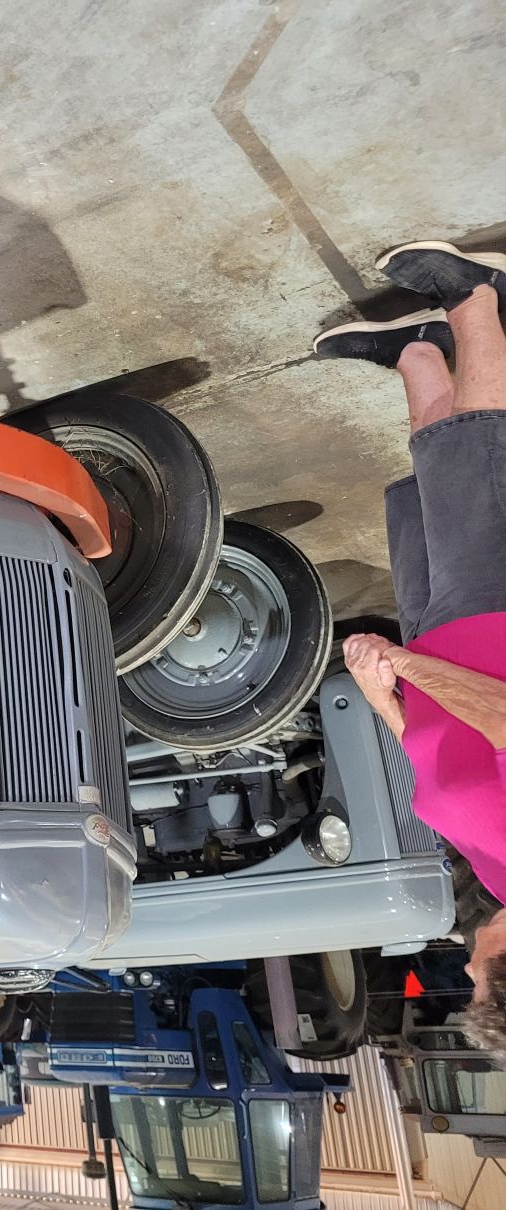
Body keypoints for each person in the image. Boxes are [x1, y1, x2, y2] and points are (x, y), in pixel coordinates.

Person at [315, 241, 506, 1055]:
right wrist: (408, 666)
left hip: (437, 638)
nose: (467, 964)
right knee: (478, 454)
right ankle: (477, 298)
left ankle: (415, 354)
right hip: (491, 620)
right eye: (482, 977)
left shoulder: (498, 886)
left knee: (434, 468)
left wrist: (383, 697)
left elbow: (439, 769)